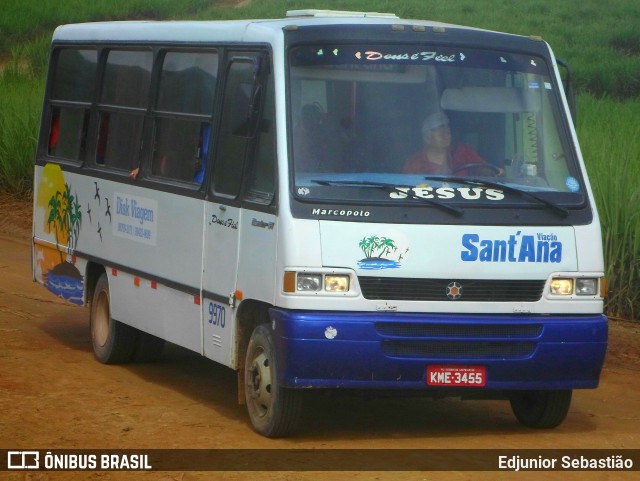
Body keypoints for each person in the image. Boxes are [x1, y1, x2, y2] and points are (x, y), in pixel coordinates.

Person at [403, 111, 502, 176]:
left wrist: (495, 171)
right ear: (427, 138)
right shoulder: (414, 163)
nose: (446, 135)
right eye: (441, 133)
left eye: (448, 131)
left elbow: (483, 168)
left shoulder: (463, 151)